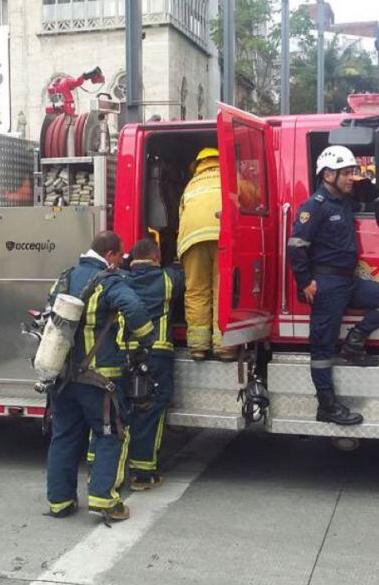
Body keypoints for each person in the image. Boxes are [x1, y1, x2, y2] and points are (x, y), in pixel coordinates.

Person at [287, 145, 379, 426]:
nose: (352, 177)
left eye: (353, 172)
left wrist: (368, 179)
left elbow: (369, 193)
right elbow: (295, 247)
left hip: (348, 281)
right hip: (325, 284)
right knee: (323, 348)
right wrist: (306, 283)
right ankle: (326, 406)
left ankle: (354, 343)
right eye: (347, 173)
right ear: (328, 175)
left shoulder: (343, 202)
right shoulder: (314, 206)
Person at [45, 231, 155, 522]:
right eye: (119, 256)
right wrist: (147, 339)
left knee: (65, 436)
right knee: (110, 434)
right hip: (100, 379)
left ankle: (60, 501)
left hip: (63, 376)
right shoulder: (108, 282)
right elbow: (133, 307)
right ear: (109, 255)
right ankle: (103, 500)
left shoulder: (65, 277)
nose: (120, 262)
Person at [118, 238, 184, 490]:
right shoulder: (167, 279)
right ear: (156, 257)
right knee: (150, 411)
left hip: (124, 355)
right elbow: (183, 272)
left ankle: (117, 469)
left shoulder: (121, 280)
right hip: (156, 356)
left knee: (124, 412)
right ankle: (143, 474)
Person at [177, 147, 234, 361]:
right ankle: (225, 346)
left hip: (192, 242)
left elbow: (181, 217)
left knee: (196, 291)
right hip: (224, 239)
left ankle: (198, 347)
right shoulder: (231, 181)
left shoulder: (191, 185)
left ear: (199, 165)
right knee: (223, 290)